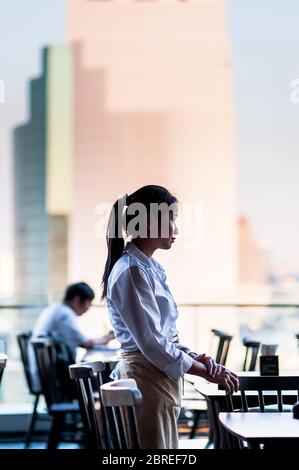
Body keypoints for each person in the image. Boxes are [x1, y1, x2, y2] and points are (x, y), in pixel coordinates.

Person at [101, 185, 239, 449]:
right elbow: (152, 345)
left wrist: (191, 357)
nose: (176, 229)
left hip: (155, 378)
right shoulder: (133, 271)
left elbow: (162, 336)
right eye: (172, 219)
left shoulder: (148, 268)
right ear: (150, 223)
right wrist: (204, 373)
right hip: (147, 379)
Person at [29, 282, 114, 392]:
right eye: (89, 302)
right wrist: (109, 337)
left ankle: (97, 408)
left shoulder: (55, 308)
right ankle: (100, 409)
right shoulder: (64, 314)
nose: (89, 307)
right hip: (53, 381)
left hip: (47, 375)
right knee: (105, 380)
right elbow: (85, 343)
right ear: (77, 299)